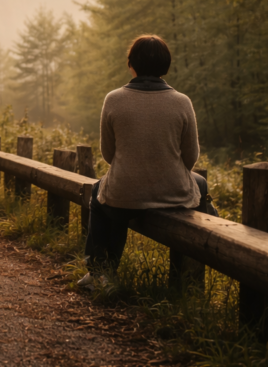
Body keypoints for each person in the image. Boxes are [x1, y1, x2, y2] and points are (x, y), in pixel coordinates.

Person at [79, 34, 215, 289]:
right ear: (166, 66)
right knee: (201, 184)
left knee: (100, 193)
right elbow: (191, 157)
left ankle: (100, 274)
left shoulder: (113, 99)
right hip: (175, 193)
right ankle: (187, 280)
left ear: (131, 64)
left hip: (123, 195)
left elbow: (109, 155)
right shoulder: (182, 102)